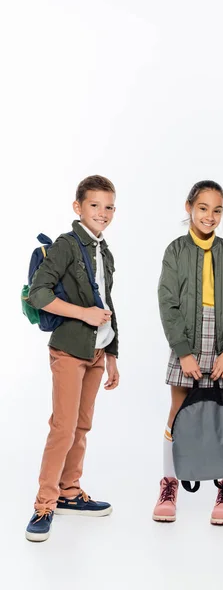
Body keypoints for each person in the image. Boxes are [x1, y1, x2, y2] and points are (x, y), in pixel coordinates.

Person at [25, 175, 119, 542]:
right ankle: (44, 503)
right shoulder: (67, 245)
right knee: (62, 428)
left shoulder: (105, 251)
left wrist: (112, 354)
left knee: (82, 426)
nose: (103, 213)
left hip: (97, 350)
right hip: (68, 349)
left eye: (109, 206)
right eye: (95, 205)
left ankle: (69, 491)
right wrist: (84, 314)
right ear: (78, 207)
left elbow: (108, 304)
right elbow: (38, 294)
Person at [154, 180, 223, 525]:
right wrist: (182, 350)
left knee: (221, 414)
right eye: (204, 208)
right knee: (179, 412)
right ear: (189, 207)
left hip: (221, 340)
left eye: (217, 209)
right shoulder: (175, 251)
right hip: (187, 340)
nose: (210, 216)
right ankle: (169, 483)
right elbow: (168, 301)